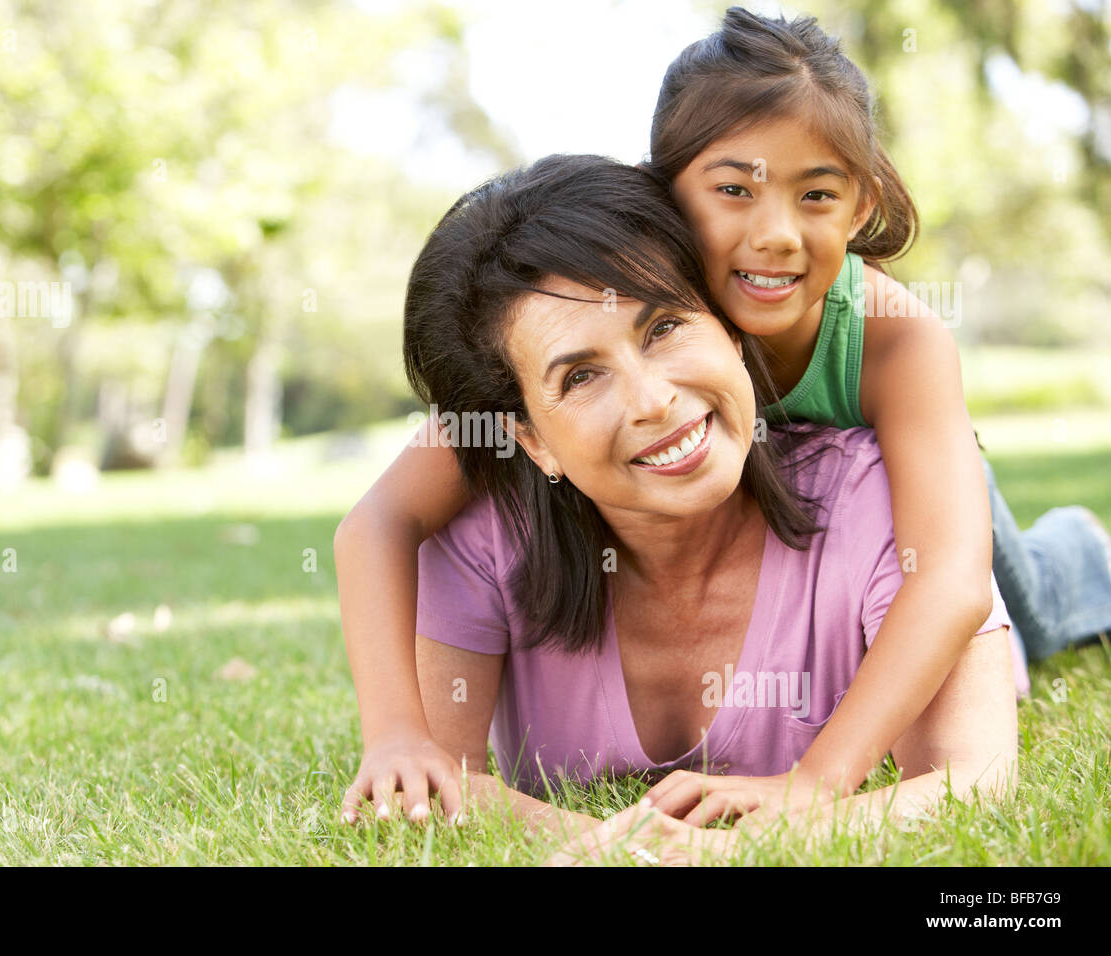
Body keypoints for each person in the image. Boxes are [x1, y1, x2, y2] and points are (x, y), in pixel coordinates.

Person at [334, 6, 1110, 831]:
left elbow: (950, 583)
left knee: (1029, 593)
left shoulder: (896, 340)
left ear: (858, 207)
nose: (772, 236)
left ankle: (1082, 561)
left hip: (938, 508)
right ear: (667, 194)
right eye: (735, 189)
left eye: (816, 193)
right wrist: (395, 734)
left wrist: (819, 782)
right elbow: (379, 519)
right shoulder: (599, 310)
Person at [399, 153, 1021, 864]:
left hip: (969, 565)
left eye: (664, 327)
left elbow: (972, 776)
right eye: (582, 375)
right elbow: (437, 779)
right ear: (533, 439)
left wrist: (739, 849)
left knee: (1039, 578)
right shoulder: (477, 541)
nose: (653, 399)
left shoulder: (884, 506)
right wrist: (616, 846)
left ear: (729, 327)